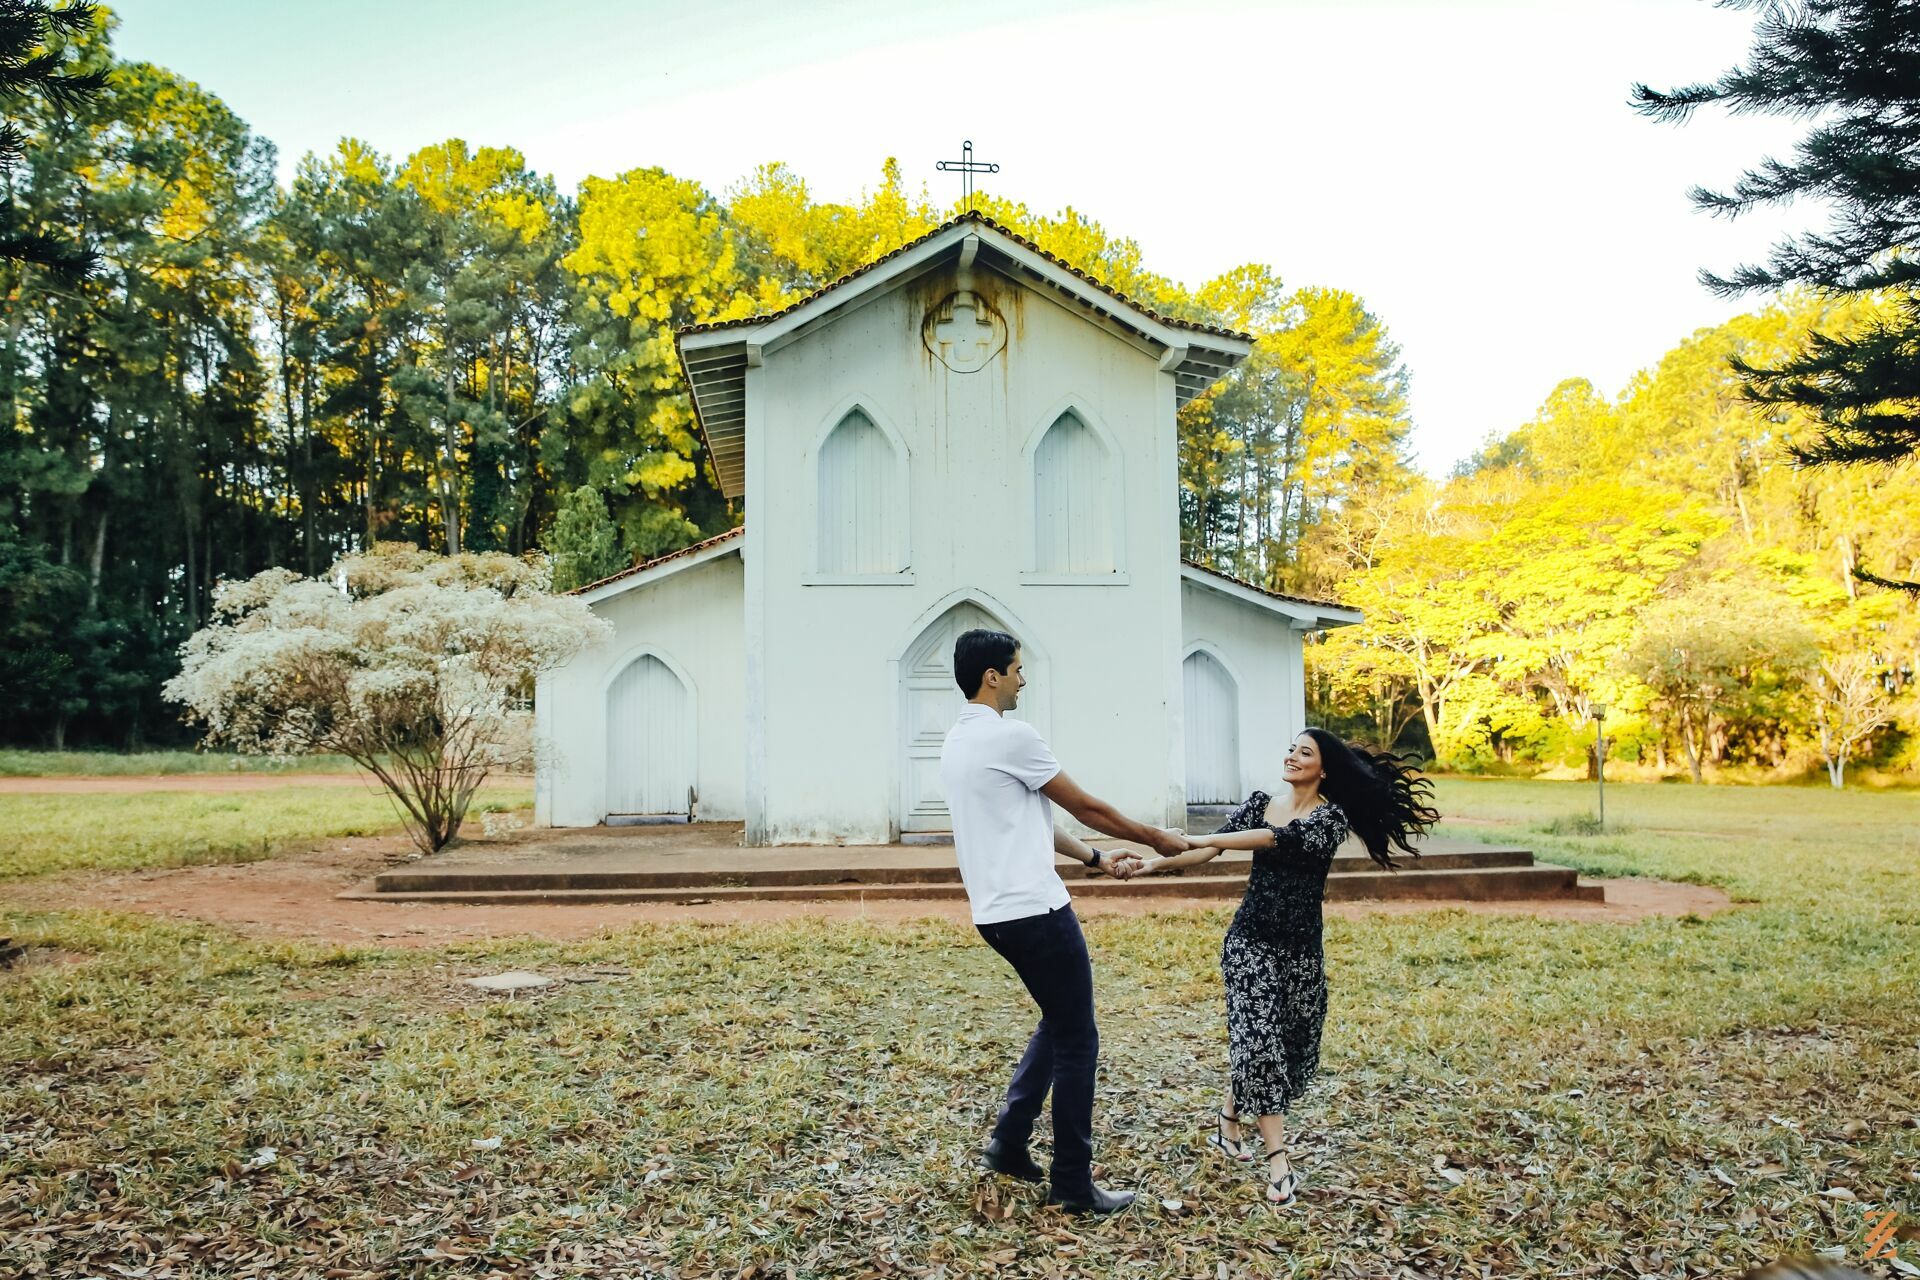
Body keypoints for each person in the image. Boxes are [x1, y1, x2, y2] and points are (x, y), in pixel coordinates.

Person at [1121, 728, 1437, 1206]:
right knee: (1260, 1042)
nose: (1291, 756)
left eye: (1304, 753)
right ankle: (1279, 1162)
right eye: (1291, 748)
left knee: (1286, 1047)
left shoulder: (1329, 820)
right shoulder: (1260, 802)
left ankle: (1229, 1119)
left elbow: (1272, 839)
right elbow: (1214, 849)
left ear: (1324, 769)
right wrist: (1153, 865)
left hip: (1301, 952)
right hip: (1249, 943)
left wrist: (1201, 833)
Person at [940, 627, 1191, 1215]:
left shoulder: (958, 741)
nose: (1024, 679)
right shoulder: (1011, 736)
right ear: (992, 677)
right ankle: (1074, 1184)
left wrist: (1097, 859)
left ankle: (1007, 1143)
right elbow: (1087, 807)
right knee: (1078, 1037)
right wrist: (1156, 836)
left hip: (996, 914)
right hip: (1036, 911)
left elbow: (1031, 818)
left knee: (1060, 1020)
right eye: (1017, 669)